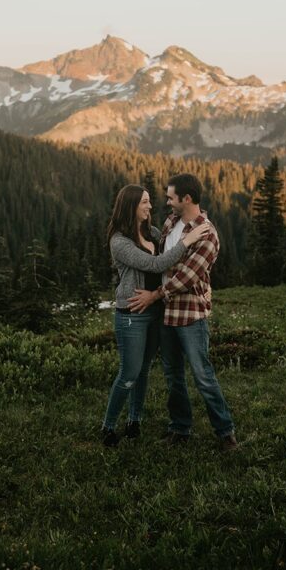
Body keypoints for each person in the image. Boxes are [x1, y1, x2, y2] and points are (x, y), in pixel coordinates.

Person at [128, 173, 238, 451]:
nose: (166, 202)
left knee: (202, 374)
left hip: (190, 316)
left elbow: (187, 277)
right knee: (172, 374)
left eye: (170, 197)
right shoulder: (171, 222)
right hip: (168, 314)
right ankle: (180, 428)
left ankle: (225, 433)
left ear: (186, 199)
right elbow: (162, 258)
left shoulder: (208, 234)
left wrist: (155, 294)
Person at [102, 184, 209, 448]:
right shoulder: (119, 241)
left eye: (150, 202)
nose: (151, 207)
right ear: (131, 206)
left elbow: (168, 255)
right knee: (129, 373)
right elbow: (155, 264)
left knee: (144, 372)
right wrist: (188, 240)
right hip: (132, 314)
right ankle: (108, 426)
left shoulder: (151, 232)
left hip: (155, 311)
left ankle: (134, 421)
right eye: (145, 203)